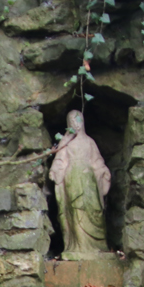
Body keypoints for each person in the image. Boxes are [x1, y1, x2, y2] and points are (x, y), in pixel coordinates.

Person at [49, 110, 111, 258]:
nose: (75, 124)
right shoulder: (66, 143)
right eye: (72, 121)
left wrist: (103, 171)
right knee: (76, 210)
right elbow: (60, 160)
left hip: (88, 178)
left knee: (94, 209)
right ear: (68, 124)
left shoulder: (90, 142)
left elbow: (97, 161)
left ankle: (97, 246)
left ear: (82, 121)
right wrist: (54, 170)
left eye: (77, 120)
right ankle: (79, 246)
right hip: (72, 178)